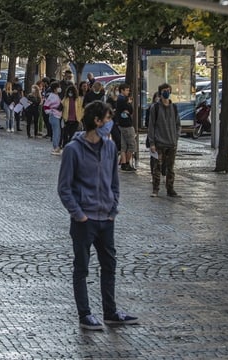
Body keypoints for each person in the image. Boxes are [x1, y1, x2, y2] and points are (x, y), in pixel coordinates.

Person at [57, 100, 138, 331]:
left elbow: (114, 180)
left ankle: (111, 312)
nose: (110, 123)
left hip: (106, 218)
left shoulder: (110, 147)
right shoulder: (73, 150)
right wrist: (79, 214)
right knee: (82, 268)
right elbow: (64, 187)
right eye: (107, 119)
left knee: (109, 265)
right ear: (97, 121)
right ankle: (85, 314)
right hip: (85, 220)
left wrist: (113, 208)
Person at [147, 83, 181, 197]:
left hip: (171, 143)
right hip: (159, 142)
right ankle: (155, 189)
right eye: (164, 90)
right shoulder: (155, 108)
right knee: (157, 167)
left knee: (170, 168)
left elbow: (178, 124)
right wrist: (152, 143)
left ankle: (170, 189)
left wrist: (176, 137)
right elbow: (151, 126)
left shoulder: (174, 108)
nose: (167, 92)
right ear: (160, 92)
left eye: (168, 90)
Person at [115, 84, 136, 171]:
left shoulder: (119, 99)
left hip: (121, 124)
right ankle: (127, 163)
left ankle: (123, 163)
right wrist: (129, 103)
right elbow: (130, 110)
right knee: (132, 145)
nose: (128, 92)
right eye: (127, 90)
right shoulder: (123, 99)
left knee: (124, 146)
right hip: (127, 124)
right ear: (122, 90)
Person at [44, 81, 63, 155]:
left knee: (57, 132)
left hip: (57, 115)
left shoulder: (56, 95)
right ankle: (55, 147)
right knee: (56, 132)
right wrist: (51, 111)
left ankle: (56, 147)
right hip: (54, 115)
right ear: (55, 89)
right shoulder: (52, 96)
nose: (59, 88)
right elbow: (46, 106)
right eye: (58, 87)